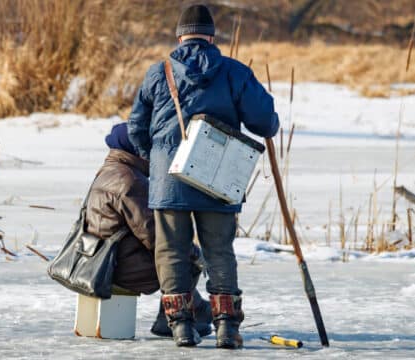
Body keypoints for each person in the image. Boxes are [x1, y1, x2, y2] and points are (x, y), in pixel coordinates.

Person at [127, 5, 279, 349]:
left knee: (172, 254)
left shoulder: (158, 73)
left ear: (180, 36)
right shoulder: (235, 72)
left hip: (170, 180)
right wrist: (271, 122)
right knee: (219, 252)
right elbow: (264, 122)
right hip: (219, 178)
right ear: (212, 37)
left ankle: (180, 327)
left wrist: (158, 161)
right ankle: (227, 327)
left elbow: (136, 127)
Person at [84, 123, 212, 337]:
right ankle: (182, 314)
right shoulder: (130, 181)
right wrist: (192, 251)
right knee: (183, 259)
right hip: (117, 267)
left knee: (179, 256)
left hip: (99, 260)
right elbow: (155, 234)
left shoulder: (108, 172)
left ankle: (184, 311)